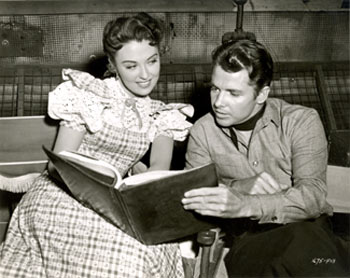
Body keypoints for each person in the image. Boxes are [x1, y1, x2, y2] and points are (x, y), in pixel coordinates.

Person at [0, 13, 193, 277]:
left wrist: (141, 182)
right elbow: (59, 163)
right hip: (63, 196)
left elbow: (158, 168)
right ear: (113, 65)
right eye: (131, 66)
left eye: (152, 61)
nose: (146, 75)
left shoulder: (162, 116)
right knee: (121, 256)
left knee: (144, 254)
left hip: (118, 204)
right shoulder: (88, 96)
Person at [182, 39, 349, 277]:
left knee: (311, 250)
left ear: (262, 94)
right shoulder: (202, 132)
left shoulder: (300, 121)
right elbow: (194, 203)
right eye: (215, 88)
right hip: (248, 245)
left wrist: (246, 204)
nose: (218, 102)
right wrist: (242, 188)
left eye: (233, 93)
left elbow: (313, 197)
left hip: (310, 235)